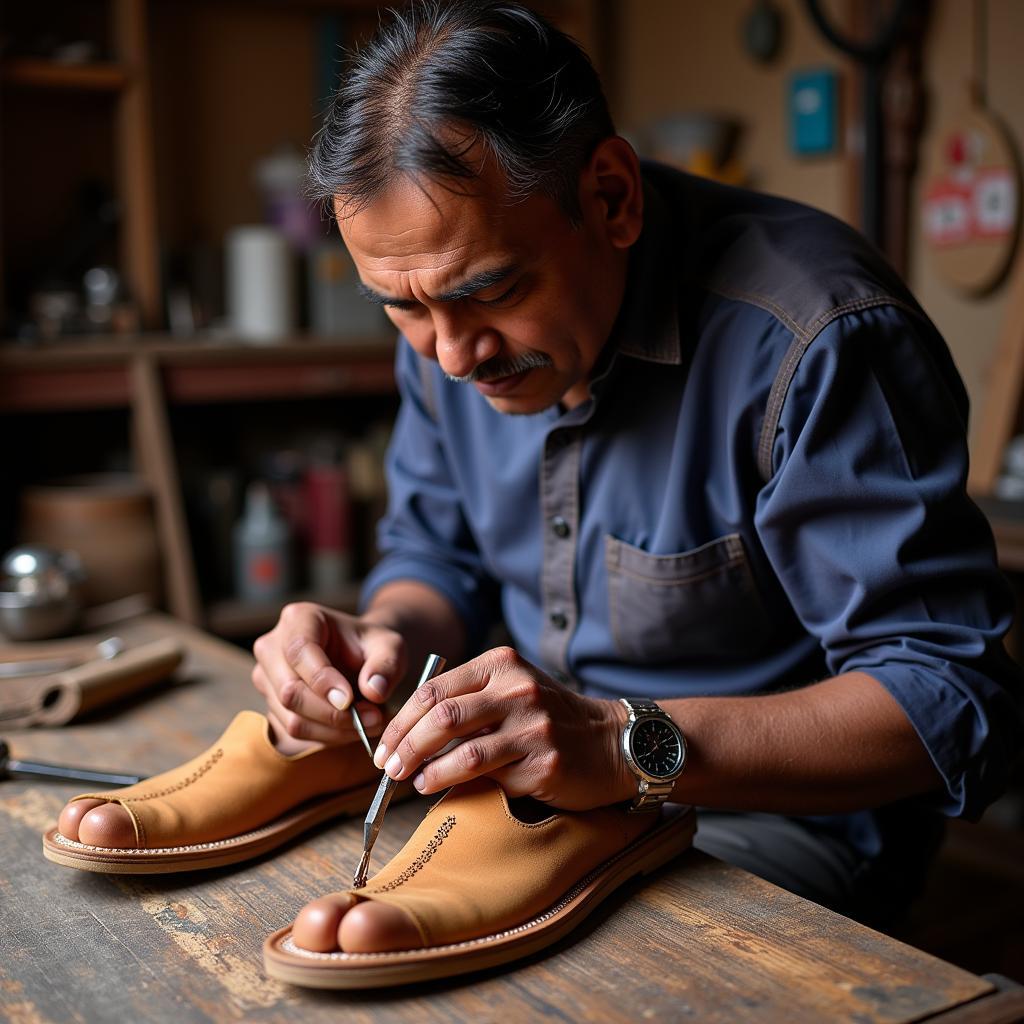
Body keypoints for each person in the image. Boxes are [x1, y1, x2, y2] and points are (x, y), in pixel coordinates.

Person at [60, 0, 1024, 952]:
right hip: (525, 790)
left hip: (768, 822)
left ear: (610, 196)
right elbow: (436, 553)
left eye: (489, 291)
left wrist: (616, 743)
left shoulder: (816, 337)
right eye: (401, 308)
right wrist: (383, 640)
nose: (449, 356)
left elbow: (949, 698)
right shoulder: (445, 318)